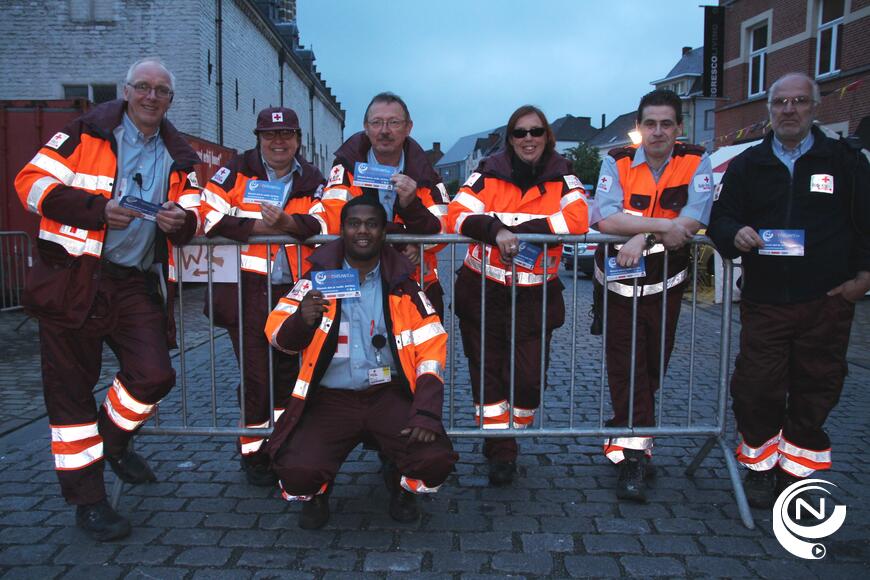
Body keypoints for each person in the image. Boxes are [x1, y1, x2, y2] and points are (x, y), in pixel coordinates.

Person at [14, 58, 200, 540]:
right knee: (70, 396)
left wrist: (182, 220)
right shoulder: (84, 133)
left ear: (170, 100)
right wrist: (96, 210)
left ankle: (112, 441)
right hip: (73, 278)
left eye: (161, 90)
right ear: (126, 90)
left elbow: (195, 210)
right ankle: (89, 502)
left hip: (134, 281)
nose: (151, 96)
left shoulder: (180, 154)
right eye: (143, 87)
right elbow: (29, 184)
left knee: (154, 375)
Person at [708, 72, 870, 508]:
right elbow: (720, 218)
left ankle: (795, 473)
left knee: (817, 386)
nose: (789, 109)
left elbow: (866, 223)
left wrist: (864, 277)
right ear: (769, 110)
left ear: (815, 106)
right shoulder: (749, 164)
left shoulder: (845, 161)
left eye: (799, 101)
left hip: (827, 299)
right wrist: (734, 232)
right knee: (756, 387)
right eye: (780, 102)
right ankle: (759, 468)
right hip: (766, 299)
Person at [262, 196, 458, 529]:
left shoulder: (404, 286)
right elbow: (276, 336)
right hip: (329, 398)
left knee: (434, 460)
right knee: (297, 472)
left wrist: (425, 412)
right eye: (354, 224)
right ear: (342, 230)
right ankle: (317, 493)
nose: (362, 231)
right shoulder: (315, 279)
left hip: (387, 394)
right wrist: (301, 321)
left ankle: (402, 487)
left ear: (383, 232)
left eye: (371, 224)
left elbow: (431, 351)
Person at [446, 105, 589, 485]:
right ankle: (501, 451)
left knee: (527, 380)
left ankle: (511, 433)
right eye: (520, 132)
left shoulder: (564, 175)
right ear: (509, 138)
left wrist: (518, 231)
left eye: (536, 131)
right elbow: (456, 214)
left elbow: (577, 220)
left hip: (534, 299)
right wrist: (495, 231)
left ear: (547, 136)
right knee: (488, 376)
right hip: (483, 292)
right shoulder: (487, 173)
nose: (528, 138)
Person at [590, 89, 713, 502]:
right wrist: (658, 228)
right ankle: (633, 457)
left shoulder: (695, 160)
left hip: (667, 285)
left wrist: (642, 234)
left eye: (666, 124)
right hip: (619, 286)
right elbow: (606, 218)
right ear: (639, 128)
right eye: (650, 124)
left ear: (679, 127)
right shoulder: (617, 161)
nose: (658, 131)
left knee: (652, 367)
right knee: (626, 366)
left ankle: (625, 434)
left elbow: (695, 215)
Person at [199, 107, 326, 486]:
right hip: (247, 290)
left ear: (298, 139)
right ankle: (254, 454)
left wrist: (289, 224)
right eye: (270, 135)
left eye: (286, 134)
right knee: (257, 376)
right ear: (258, 138)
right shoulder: (236, 171)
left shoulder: (313, 179)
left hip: (294, 292)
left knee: (288, 375)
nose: (278, 141)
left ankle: (280, 445)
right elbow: (208, 214)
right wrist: (267, 228)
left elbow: (324, 222)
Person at [321, 92, 449, 317]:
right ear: (366, 127)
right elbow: (335, 222)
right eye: (377, 122)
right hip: (357, 282)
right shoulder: (345, 169)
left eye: (394, 122)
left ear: (408, 127)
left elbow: (445, 230)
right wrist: (403, 242)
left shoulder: (426, 175)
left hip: (415, 281)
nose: (385, 130)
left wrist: (412, 206)